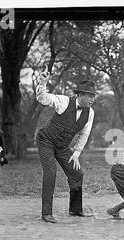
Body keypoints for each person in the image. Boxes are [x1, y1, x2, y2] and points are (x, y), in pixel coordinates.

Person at [36, 66, 96, 223]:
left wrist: (76, 154)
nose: (92, 99)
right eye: (89, 96)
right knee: (50, 173)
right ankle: (46, 213)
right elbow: (43, 99)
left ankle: (75, 210)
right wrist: (43, 84)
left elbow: (84, 134)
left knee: (77, 173)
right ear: (80, 95)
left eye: (94, 96)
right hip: (46, 140)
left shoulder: (90, 112)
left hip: (62, 147)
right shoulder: (63, 101)